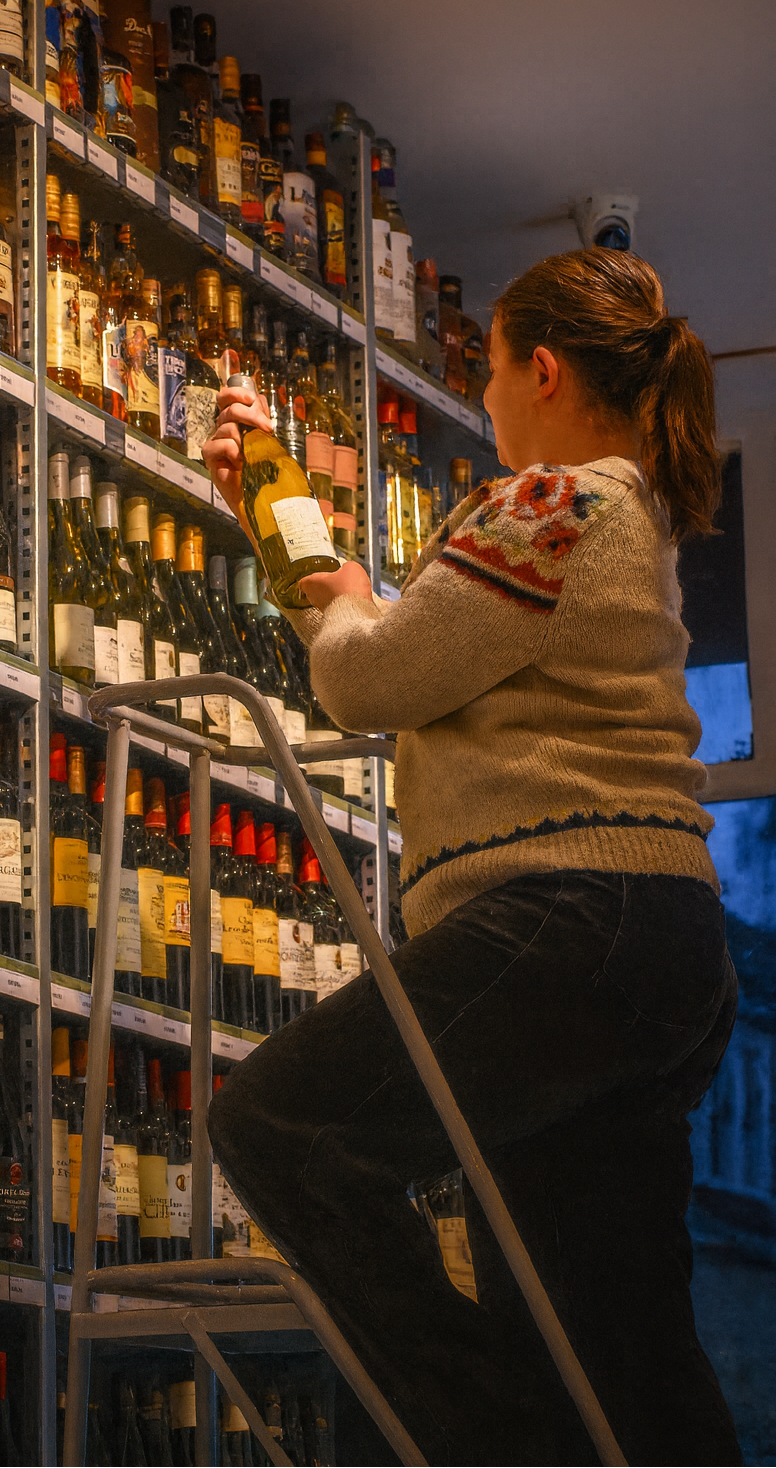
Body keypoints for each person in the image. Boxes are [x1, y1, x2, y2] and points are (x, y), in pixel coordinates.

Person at [201, 248, 741, 1468]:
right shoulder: (621, 511)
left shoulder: (556, 500)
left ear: (541, 368)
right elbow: (427, 643)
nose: (484, 397)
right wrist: (299, 539)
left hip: (569, 918)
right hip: (656, 940)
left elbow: (369, 673)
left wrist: (320, 583)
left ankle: (508, 1442)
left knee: (286, 1130)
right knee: (613, 1328)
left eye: (487, 369)